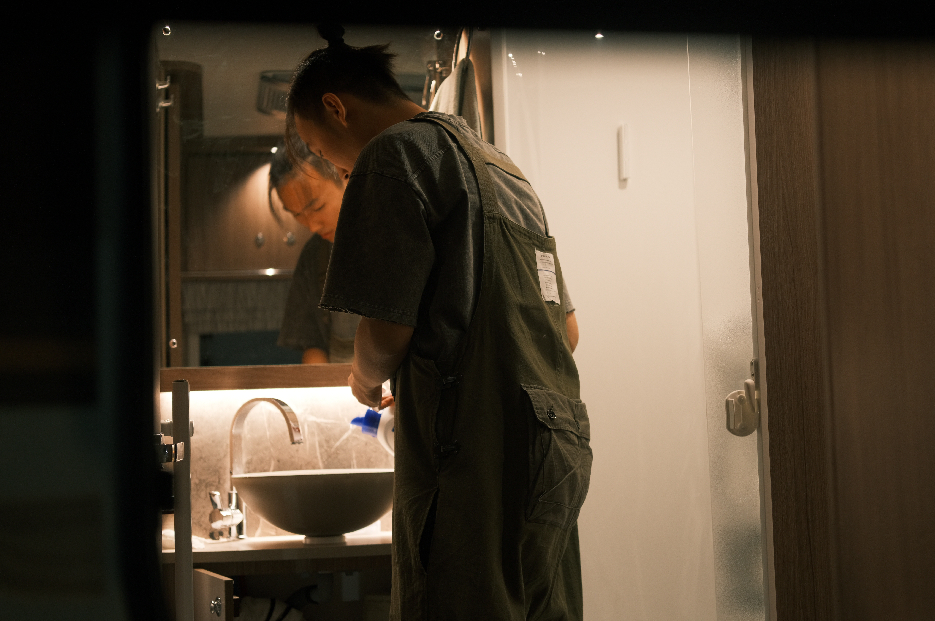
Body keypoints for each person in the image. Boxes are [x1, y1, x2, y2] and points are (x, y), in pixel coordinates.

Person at [286, 25, 592, 621]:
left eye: (320, 150)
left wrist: (364, 380)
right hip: (555, 449)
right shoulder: (505, 170)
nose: (333, 164)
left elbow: (385, 331)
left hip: (471, 456)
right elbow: (567, 332)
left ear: (336, 108)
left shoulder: (392, 156)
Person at [268, 137, 359, 363]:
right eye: (297, 215)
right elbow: (312, 343)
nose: (312, 226)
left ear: (346, 176)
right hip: (340, 382)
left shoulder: (397, 236)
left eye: (317, 207)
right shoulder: (315, 254)